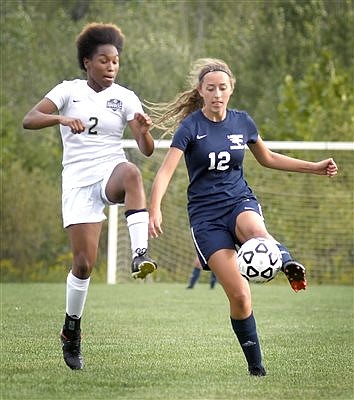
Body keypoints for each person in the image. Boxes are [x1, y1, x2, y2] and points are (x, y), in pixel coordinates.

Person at [148, 58, 338, 376]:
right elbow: (166, 172)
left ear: (231, 89)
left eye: (223, 87)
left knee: (254, 228)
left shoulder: (242, 122)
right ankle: (256, 366)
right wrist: (155, 207)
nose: (217, 93)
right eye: (211, 88)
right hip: (206, 218)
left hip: (239, 201)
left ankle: (287, 262)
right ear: (201, 91)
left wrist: (314, 167)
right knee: (240, 295)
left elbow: (268, 158)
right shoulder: (190, 127)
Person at [22, 22, 157, 370]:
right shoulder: (68, 91)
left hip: (109, 171)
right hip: (78, 182)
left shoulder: (126, 97)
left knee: (132, 172)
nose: (111, 67)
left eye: (115, 61)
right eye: (104, 61)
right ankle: (71, 330)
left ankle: (139, 253)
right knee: (84, 264)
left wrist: (143, 133)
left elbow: (145, 151)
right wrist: (61, 119)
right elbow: (30, 118)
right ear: (87, 62)